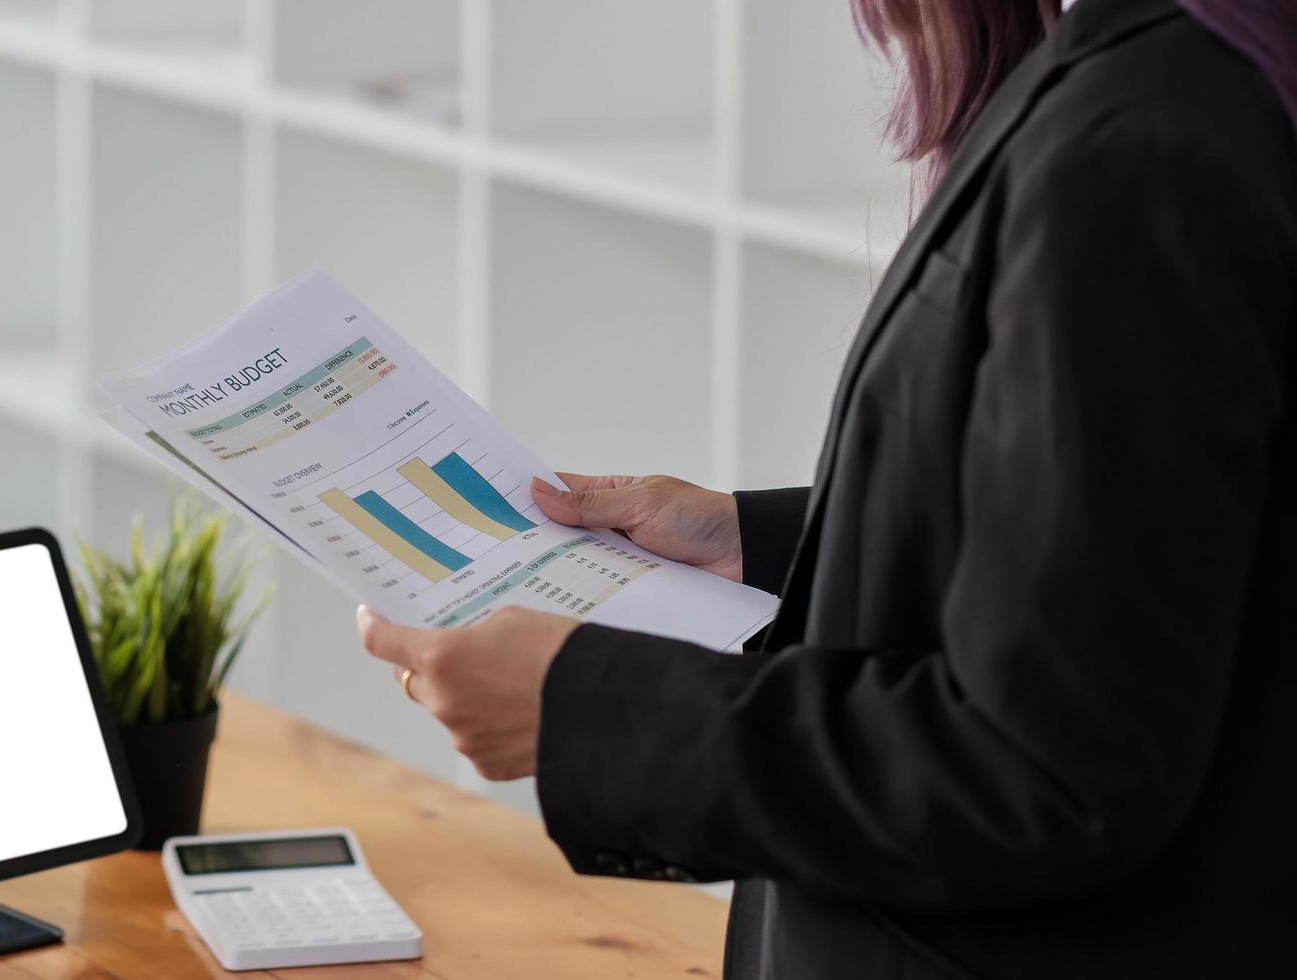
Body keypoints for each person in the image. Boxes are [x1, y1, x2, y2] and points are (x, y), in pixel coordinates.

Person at [356, 0, 1297, 975]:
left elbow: (1046, 775)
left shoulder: (1142, 139)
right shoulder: (1175, 75)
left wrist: (583, 711)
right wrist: (753, 542)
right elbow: (1157, 542)